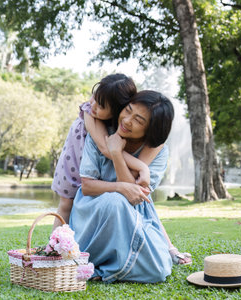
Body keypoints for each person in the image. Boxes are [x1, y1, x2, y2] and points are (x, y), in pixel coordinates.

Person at [70, 90, 190, 283]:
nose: (126, 120)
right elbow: (87, 186)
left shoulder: (158, 153)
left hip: (135, 215)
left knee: (159, 269)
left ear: (150, 129)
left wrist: (117, 153)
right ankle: (101, 263)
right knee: (116, 202)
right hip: (92, 211)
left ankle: (106, 268)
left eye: (139, 120)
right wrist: (119, 188)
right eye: (127, 110)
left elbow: (135, 198)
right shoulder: (100, 136)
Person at [51, 74, 164, 229]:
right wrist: (141, 167)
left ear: (117, 110)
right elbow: (106, 149)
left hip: (95, 165)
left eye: (101, 105)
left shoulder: (120, 125)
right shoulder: (90, 112)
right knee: (66, 204)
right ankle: (54, 248)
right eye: (94, 96)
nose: (93, 104)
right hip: (75, 156)